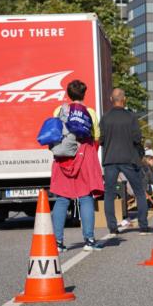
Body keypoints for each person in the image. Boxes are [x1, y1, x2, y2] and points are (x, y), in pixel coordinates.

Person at [49, 80, 104, 251]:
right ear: (84, 94)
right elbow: (96, 137)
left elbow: (55, 133)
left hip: (63, 158)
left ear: (68, 94)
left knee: (62, 198)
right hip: (84, 156)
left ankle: (57, 242)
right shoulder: (90, 112)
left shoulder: (59, 110)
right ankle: (89, 240)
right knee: (86, 197)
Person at [101, 87, 150, 235]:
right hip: (129, 159)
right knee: (139, 191)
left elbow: (102, 140)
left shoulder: (105, 118)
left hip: (110, 159)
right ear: (124, 99)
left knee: (109, 193)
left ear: (111, 99)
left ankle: (112, 227)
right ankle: (143, 225)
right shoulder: (131, 117)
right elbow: (137, 138)